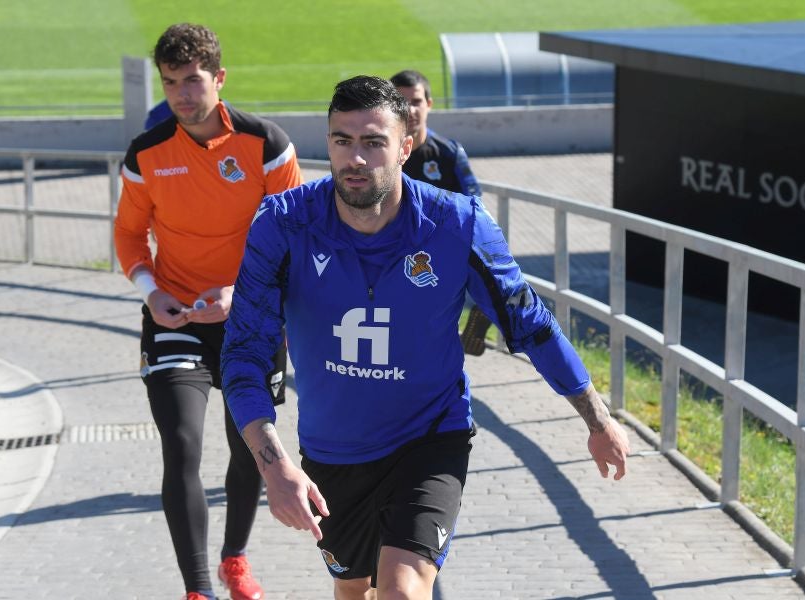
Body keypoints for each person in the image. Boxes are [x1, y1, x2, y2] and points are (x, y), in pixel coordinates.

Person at [220, 75, 630, 600]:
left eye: (374, 142)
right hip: (333, 448)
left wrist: (596, 418)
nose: (357, 159)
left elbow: (528, 322)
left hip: (429, 437)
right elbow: (243, 355)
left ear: (405, 146)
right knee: (353, 591)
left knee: (402, 590)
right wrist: (274, 468)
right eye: (343, 141)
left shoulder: (457, 225)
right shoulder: (282, 225)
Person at [113, 23, 302, 600]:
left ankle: (234, 559)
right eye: (171, 83)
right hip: (175, 320)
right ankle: (198, 589)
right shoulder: (146, 153)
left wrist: (239, 295)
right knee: (182, 446)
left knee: (249, 448)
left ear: (219, 78)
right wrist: (151, 291)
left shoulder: (266, 144)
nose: (182, 95)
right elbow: (128, 236)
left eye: (193, 81)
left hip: (248, 319)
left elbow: (295, 239)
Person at [390, 69, 491, 356]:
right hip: (389, 247)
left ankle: (477, 325)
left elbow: (475, 207)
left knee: (495, 266)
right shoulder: (379, 152)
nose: (409, 110)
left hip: (436, 250)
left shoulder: (447, 153)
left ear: (429, 104)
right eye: (401, 101)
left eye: (416, 101)